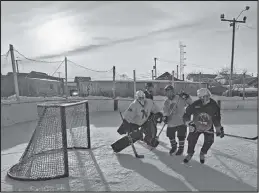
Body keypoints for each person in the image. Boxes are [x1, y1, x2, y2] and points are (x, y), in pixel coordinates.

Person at [182, 88, 224, 164]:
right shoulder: (195, 104)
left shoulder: (214, 105)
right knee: (191, 140)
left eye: (207, 96)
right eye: (203, 97)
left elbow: (216, 117)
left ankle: (202, 153)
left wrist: (218, 128)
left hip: (208, 126)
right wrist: (189, 123)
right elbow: (186, 114)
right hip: (196, 126)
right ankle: (190, 153)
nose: (206, 98)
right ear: (200, 97)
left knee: (209, 141)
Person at [162, 85, 193, 155]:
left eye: (170, 92)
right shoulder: (166, 102)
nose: (168, 94)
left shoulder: (180, 98)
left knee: (181, 135)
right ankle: (174, 146)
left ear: (173, 92)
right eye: (167, 92)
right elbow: (165, 111)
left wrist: (187, 97)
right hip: (171, 121)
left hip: (181, 121)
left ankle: (181, 148)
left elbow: (191, 103)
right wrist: (165, 117)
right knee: (170, 135)